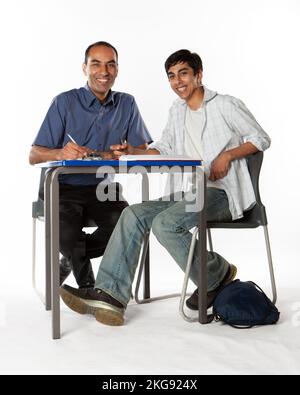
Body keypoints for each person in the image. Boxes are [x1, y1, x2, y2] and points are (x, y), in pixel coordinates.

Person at [60, 49, 271, 326]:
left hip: (222, 192)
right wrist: (134, 150)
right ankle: (110, 295)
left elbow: (261, 137)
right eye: (171, 76)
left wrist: (228, 155)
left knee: (165, 223)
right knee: (133, 214)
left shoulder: (226, 105)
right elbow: (166, 147)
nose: (177, 81)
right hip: (190, 192)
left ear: (199, 74)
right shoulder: (177, 110)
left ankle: (215, 274)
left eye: (183, 73)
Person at [29, 41, 152, 289]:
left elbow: (143, 151)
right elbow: (33, 155)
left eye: (110, 64)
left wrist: (130, 152)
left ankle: (73, 258)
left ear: (117, 69)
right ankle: (88, 288)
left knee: (129, 227)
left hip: (102, 188)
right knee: (64, 237)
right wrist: (60, 151)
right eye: (96, 64)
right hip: (62, 186)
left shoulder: (127, 104)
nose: (103, 71)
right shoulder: (63, 102)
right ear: (85, 68)